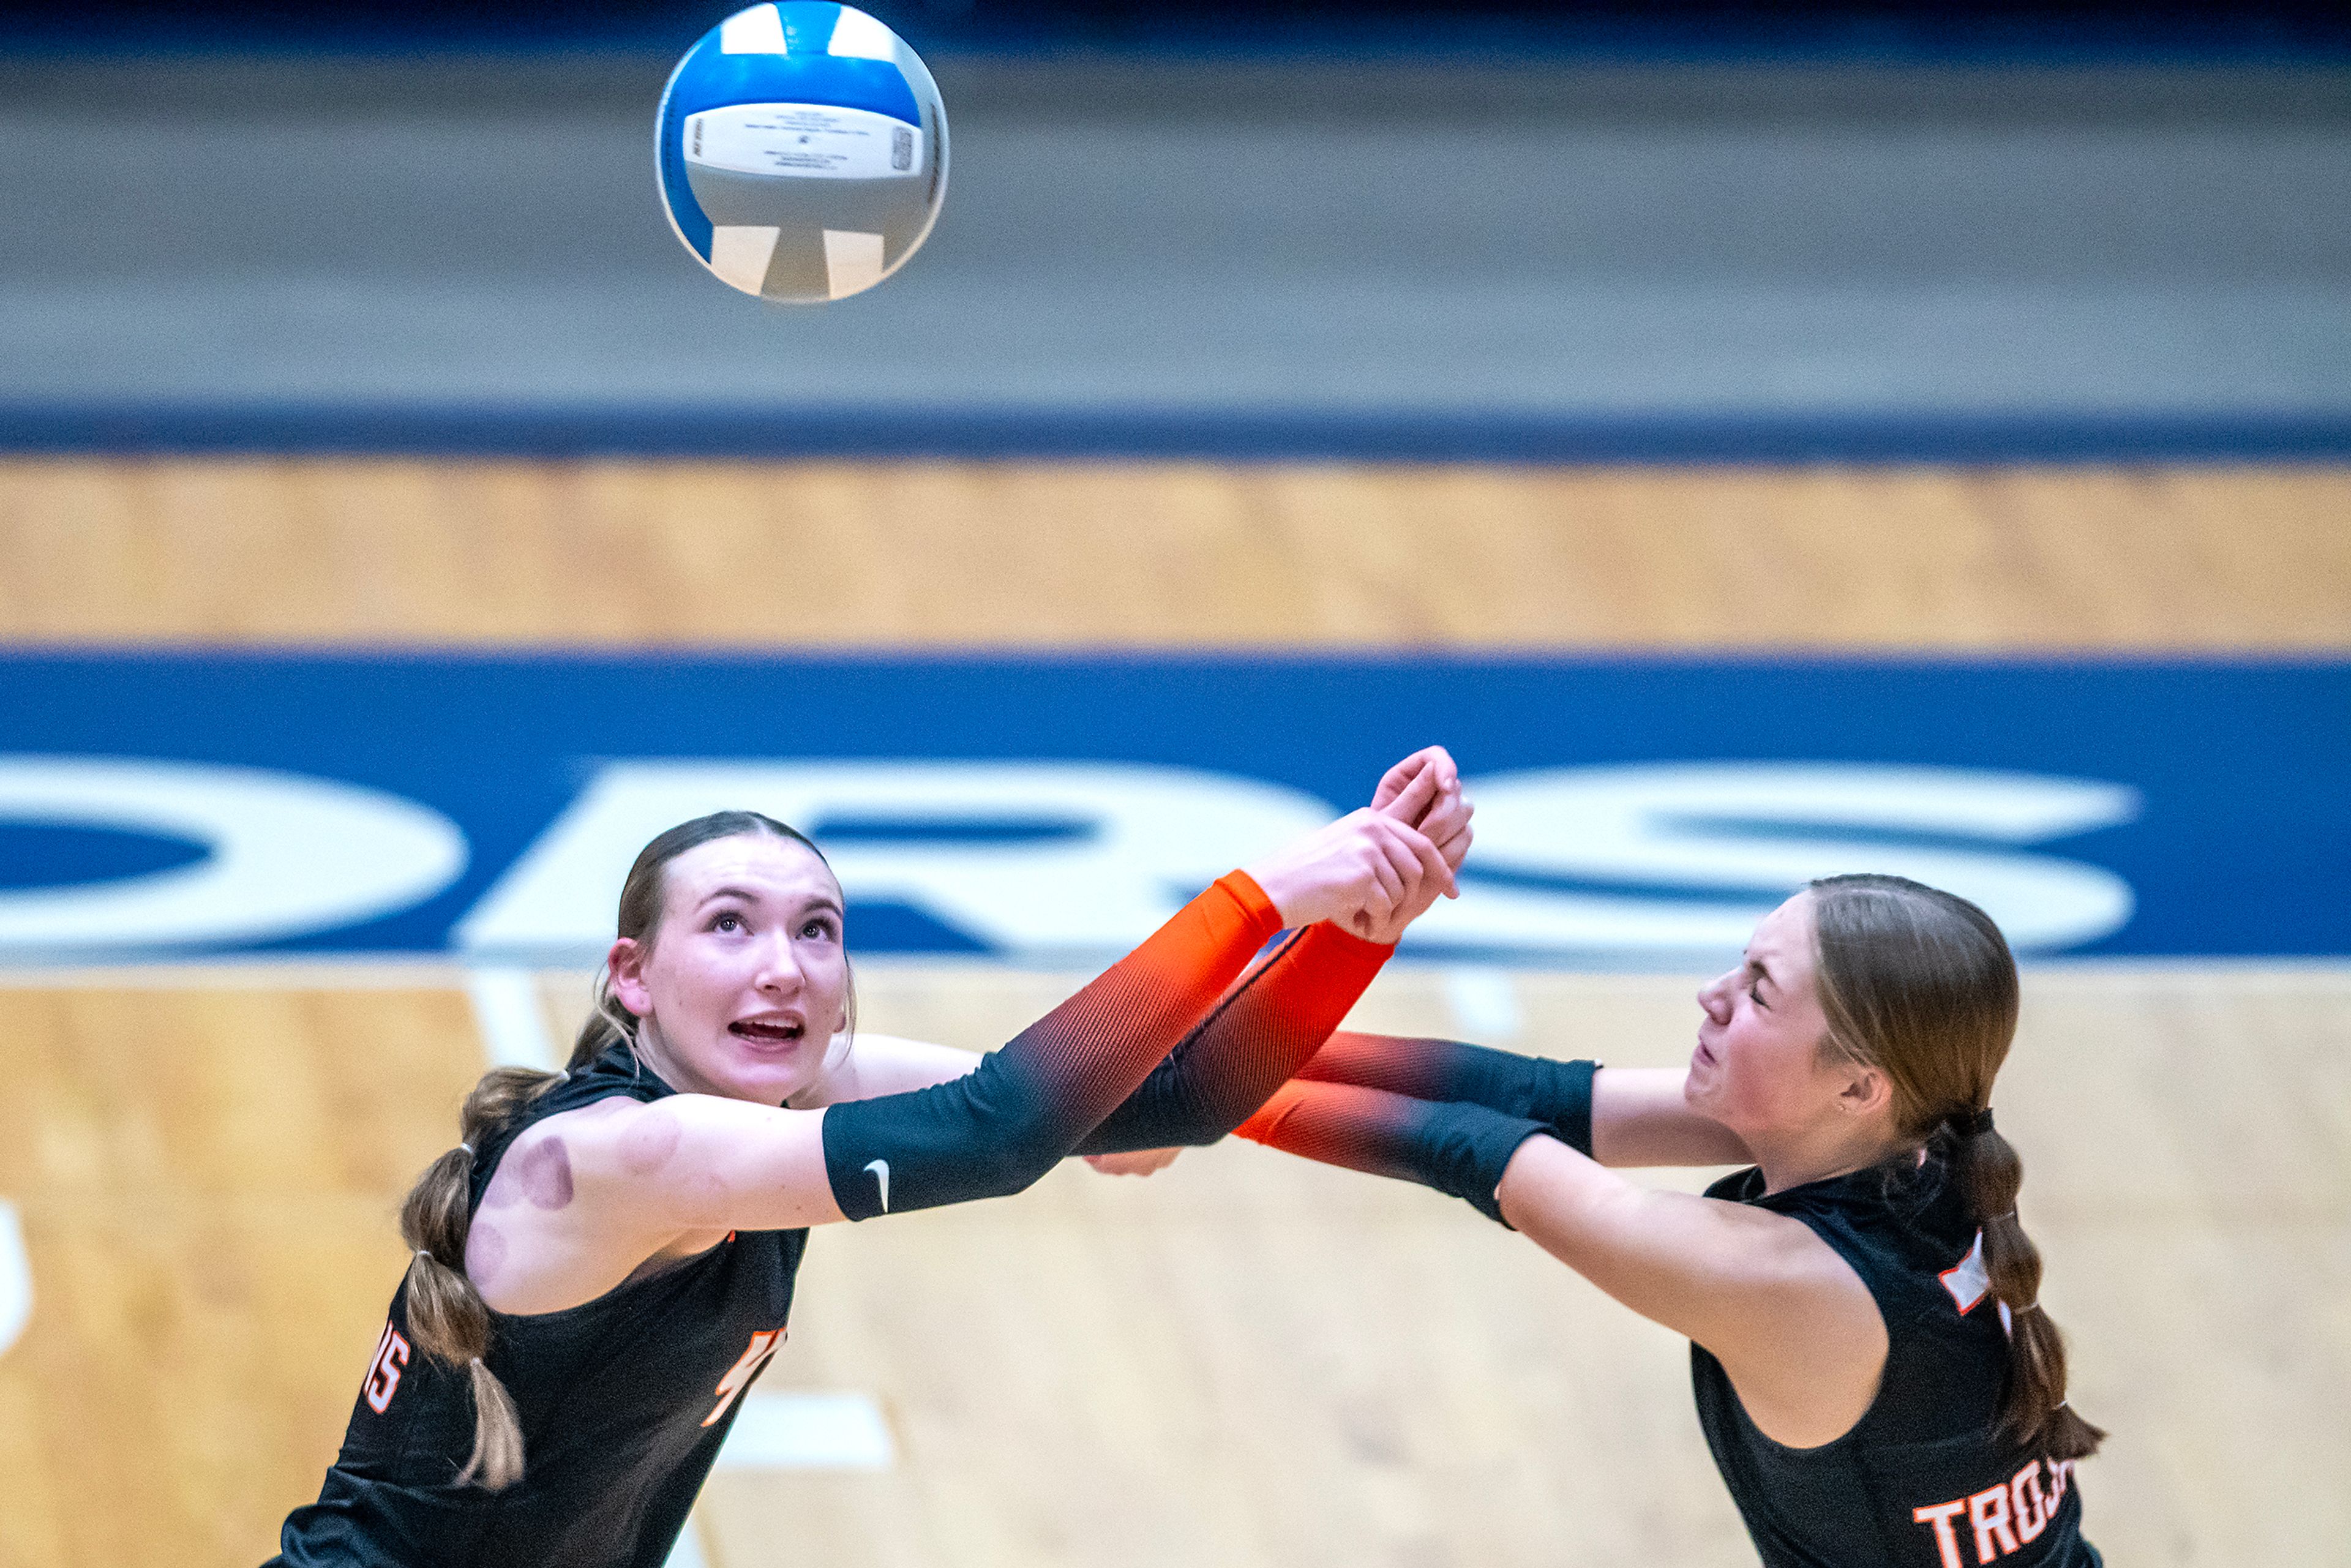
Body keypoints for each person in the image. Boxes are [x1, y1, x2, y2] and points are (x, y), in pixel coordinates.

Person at [268, 749, 1472, 1568]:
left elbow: (1162, 1102)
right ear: (632, 976)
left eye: (817, 930)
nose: (783, 966)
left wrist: (1358, 932)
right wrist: (1262, 897)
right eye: (728, 924)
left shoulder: (790, 1093)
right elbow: (1000, 1134)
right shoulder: (629, 1151)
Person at [1182, 873, 2102, 1568]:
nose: (1713, 992)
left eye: (1759, 991)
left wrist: (1156, 1080)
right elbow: (1534, 1098)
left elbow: (1472, 1145)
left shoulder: (1793, 1285)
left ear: (1858, 1085)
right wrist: (1190, 1044)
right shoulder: (1913, 1137)